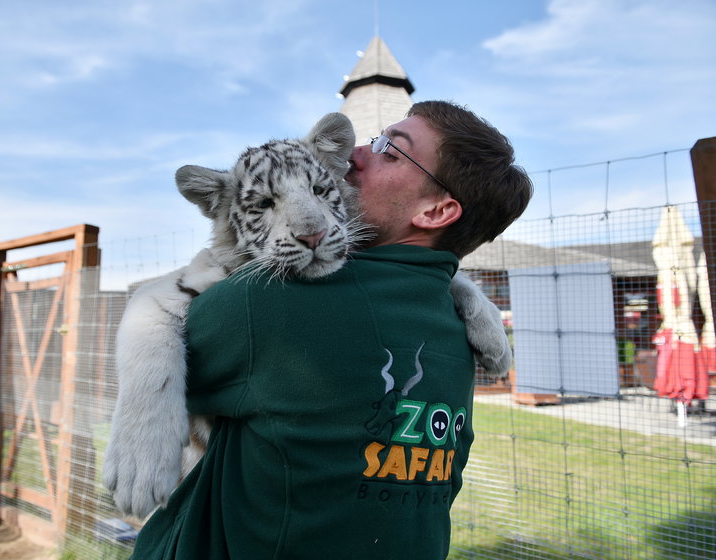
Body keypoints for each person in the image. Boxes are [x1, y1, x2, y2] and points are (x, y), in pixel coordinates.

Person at [130, 100, 533, 559]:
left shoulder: (263, 304)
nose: (356, 153)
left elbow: (160, 313)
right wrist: (461, 287)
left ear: (437, 211)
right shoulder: (451, 321)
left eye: (389, 151)